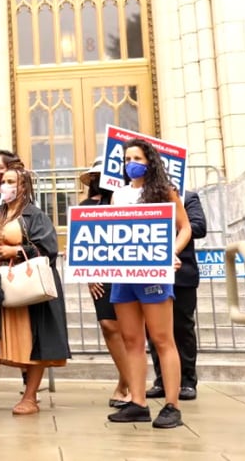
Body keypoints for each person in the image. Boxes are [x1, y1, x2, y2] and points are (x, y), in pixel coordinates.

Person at [0, 165, 70, 415]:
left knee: (33, 339)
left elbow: (49, 249)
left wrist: (17, 251)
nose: (5, 185)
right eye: (3, 181)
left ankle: (30, 397)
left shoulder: (35, 215)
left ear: (23, 186)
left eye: (11, 181)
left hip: (27, 288)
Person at [107, 138, 191, 429]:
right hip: (123, 276)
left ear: (150, 161)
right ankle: (138, 402)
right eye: (128, 158)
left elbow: (185, 228)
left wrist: (172, 253)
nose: (132, 163)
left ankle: (171, 405)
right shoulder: (117, 196)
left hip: (153, 274)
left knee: (162, 338)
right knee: (131, 340)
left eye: (138, 158)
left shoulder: (165, 192)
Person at [78, 158, 130, 409]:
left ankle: (127, 384)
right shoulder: (86, 206)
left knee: (129, 328)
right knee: (109, 325)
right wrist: (89, 274)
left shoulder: (127, 200)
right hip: (101, 273)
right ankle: (127, 381)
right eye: (95, 176)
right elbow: (83, 243)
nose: (100, 180)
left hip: (129, 270)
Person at [146, 190, 207, 402]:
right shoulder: (143, 197)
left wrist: (167, 221)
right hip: (152, 274)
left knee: (182, 328)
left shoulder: (187, 198)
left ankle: (188, 381)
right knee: (154, 330)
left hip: (182, 274)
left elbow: (199, 227)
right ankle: (162, 380)